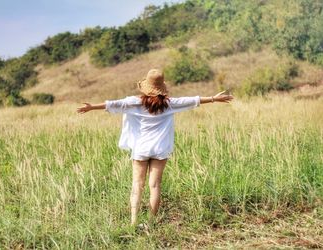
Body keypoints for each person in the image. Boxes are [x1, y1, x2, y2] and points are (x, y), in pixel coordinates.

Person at [77, 69, 233, 225]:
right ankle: (151, 222)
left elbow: (113, 104)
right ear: (162, 87)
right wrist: (213, 98)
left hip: (141, 149)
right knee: (155, 185)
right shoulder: (170, 104)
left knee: (137, 185)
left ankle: (133, 222)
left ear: (146, 86)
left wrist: (91, 107)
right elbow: (192, 100)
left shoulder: (135, 102)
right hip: (160, 149)